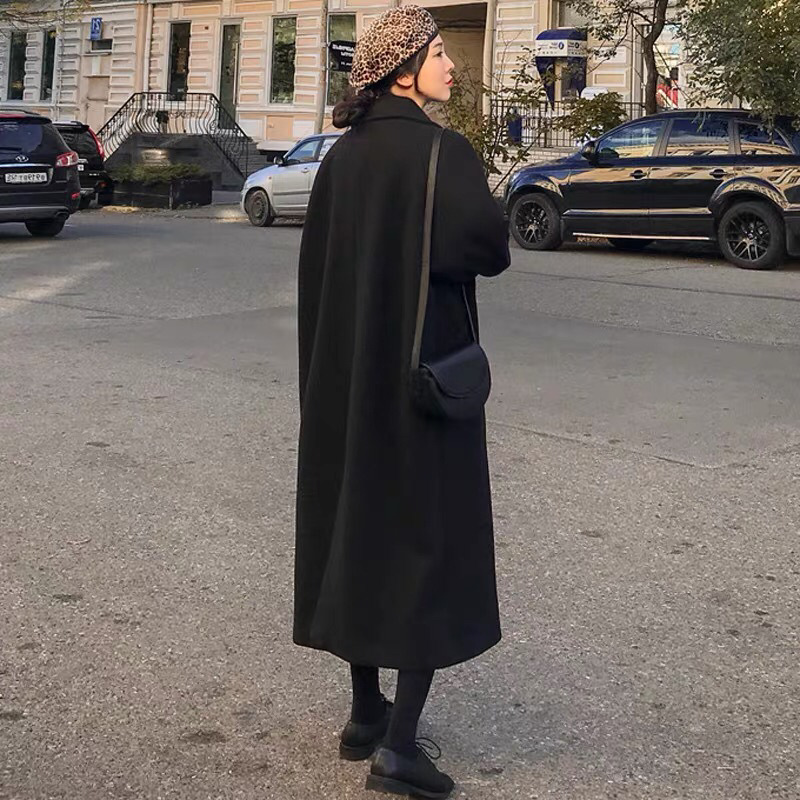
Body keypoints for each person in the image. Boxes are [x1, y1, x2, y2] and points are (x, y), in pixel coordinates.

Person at [293, 6, 511, 798]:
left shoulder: (340, 159)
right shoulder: (442, 153)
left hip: (346, 382)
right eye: (438, 53)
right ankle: (400, 747)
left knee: (361, 529)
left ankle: (365, 713)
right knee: (428, 542)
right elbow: (487, 248)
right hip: (423, 385)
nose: (451, 66)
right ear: (402, 71)